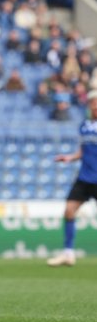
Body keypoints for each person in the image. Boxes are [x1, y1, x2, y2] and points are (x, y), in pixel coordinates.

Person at [47, 90, 97, 267]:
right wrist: (70, 157)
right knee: (69, 211)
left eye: (95, 102)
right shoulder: (84, 126)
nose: (93, 105)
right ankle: (68, 254)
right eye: (91, 103)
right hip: (84, 177)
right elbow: (83, 151)